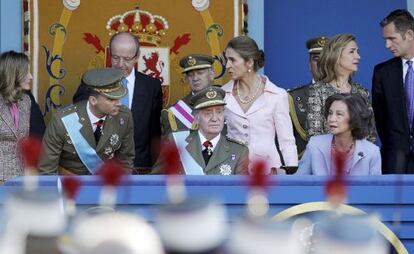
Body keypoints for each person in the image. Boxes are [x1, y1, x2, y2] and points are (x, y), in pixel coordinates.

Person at [73, 32, 162, 173]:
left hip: (138, 166)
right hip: (96, 166)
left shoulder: (151, 86)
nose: (120, 64)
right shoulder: (90, 82)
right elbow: (79, 124)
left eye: (127, 59)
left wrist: (154, 169)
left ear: (137, 56)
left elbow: (154, 132)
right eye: (115, 57)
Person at [222, 35, 297, 173]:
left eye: (232, 60)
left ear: (249, 62)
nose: (227, 66)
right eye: (226, 60)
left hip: (268, 171)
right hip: (233, 170)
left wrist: (291, 173)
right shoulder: (223, 94)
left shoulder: (277, 95)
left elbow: (286, 139)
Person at [38, 68, 135, 175]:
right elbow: (46, 170)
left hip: (106, 187)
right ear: (93, 100)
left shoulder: (124, 116)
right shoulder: (62, 121)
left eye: (119, 98)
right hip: (71, 186)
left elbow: (125, 160)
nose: (119, 103)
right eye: (111, 99)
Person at [152, 86, 249, 175]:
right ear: (196, 118)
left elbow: (242, 191)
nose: (215, 118)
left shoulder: (238, 151)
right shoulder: (176, 142)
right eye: (207, 113)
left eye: (219, 112)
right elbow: (154, 181)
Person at [306, 34, 375, 142]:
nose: (358, 56)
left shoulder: (362, 92)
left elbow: (370, 134)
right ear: (336, 56)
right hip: (328, 157)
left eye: (357, 52)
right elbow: (315, 136)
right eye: (352, 52)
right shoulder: (318, 90)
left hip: (360, 157)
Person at [372, 9, 414, 174]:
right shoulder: (382, 72)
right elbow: (381, 119)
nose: (387, 45)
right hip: (394, 162)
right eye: (385, 39)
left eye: (392, 39)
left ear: (409, 35)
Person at [297, 93, 381, 175]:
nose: (331, 119)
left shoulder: (372, 152)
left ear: (355, 118)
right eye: (330, 113)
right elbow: (298, 182)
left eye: (339, 114)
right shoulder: (314, 144)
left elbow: (375, 188)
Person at [0, 51, 39, 183]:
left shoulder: (26, 101)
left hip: (22, 177)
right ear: (13, 74)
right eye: (26, 72)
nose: (31, 76)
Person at [288, 36, 328, 157]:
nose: (321, 64)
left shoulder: (349, 95)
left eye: (326, 59)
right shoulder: (293, 97)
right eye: (316, 59)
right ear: (309, 64)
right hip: (304, 169)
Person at [161, 54, 215, 135]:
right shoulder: (173, 113)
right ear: (186, 79)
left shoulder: (228, 106)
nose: (195, 78)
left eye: (200, 73)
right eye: (190, 75)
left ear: (212, 75)